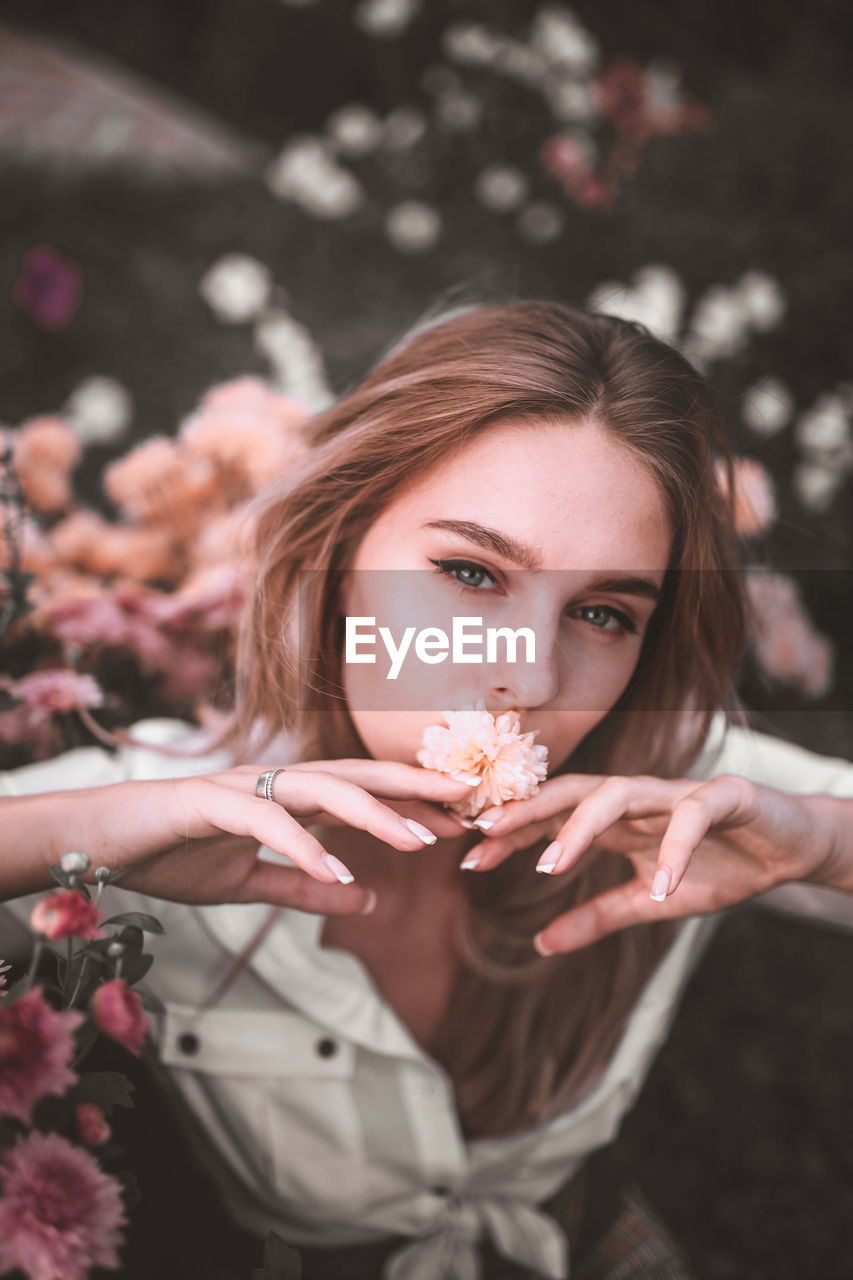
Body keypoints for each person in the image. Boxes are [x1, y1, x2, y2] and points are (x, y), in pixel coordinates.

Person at [2, 301, 853, 1280]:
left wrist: (824, 841)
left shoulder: (670, 783)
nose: (527, 678)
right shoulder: (162, 813)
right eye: (468, 571)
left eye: (603, 611)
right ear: (341, 556)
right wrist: (87, 829)